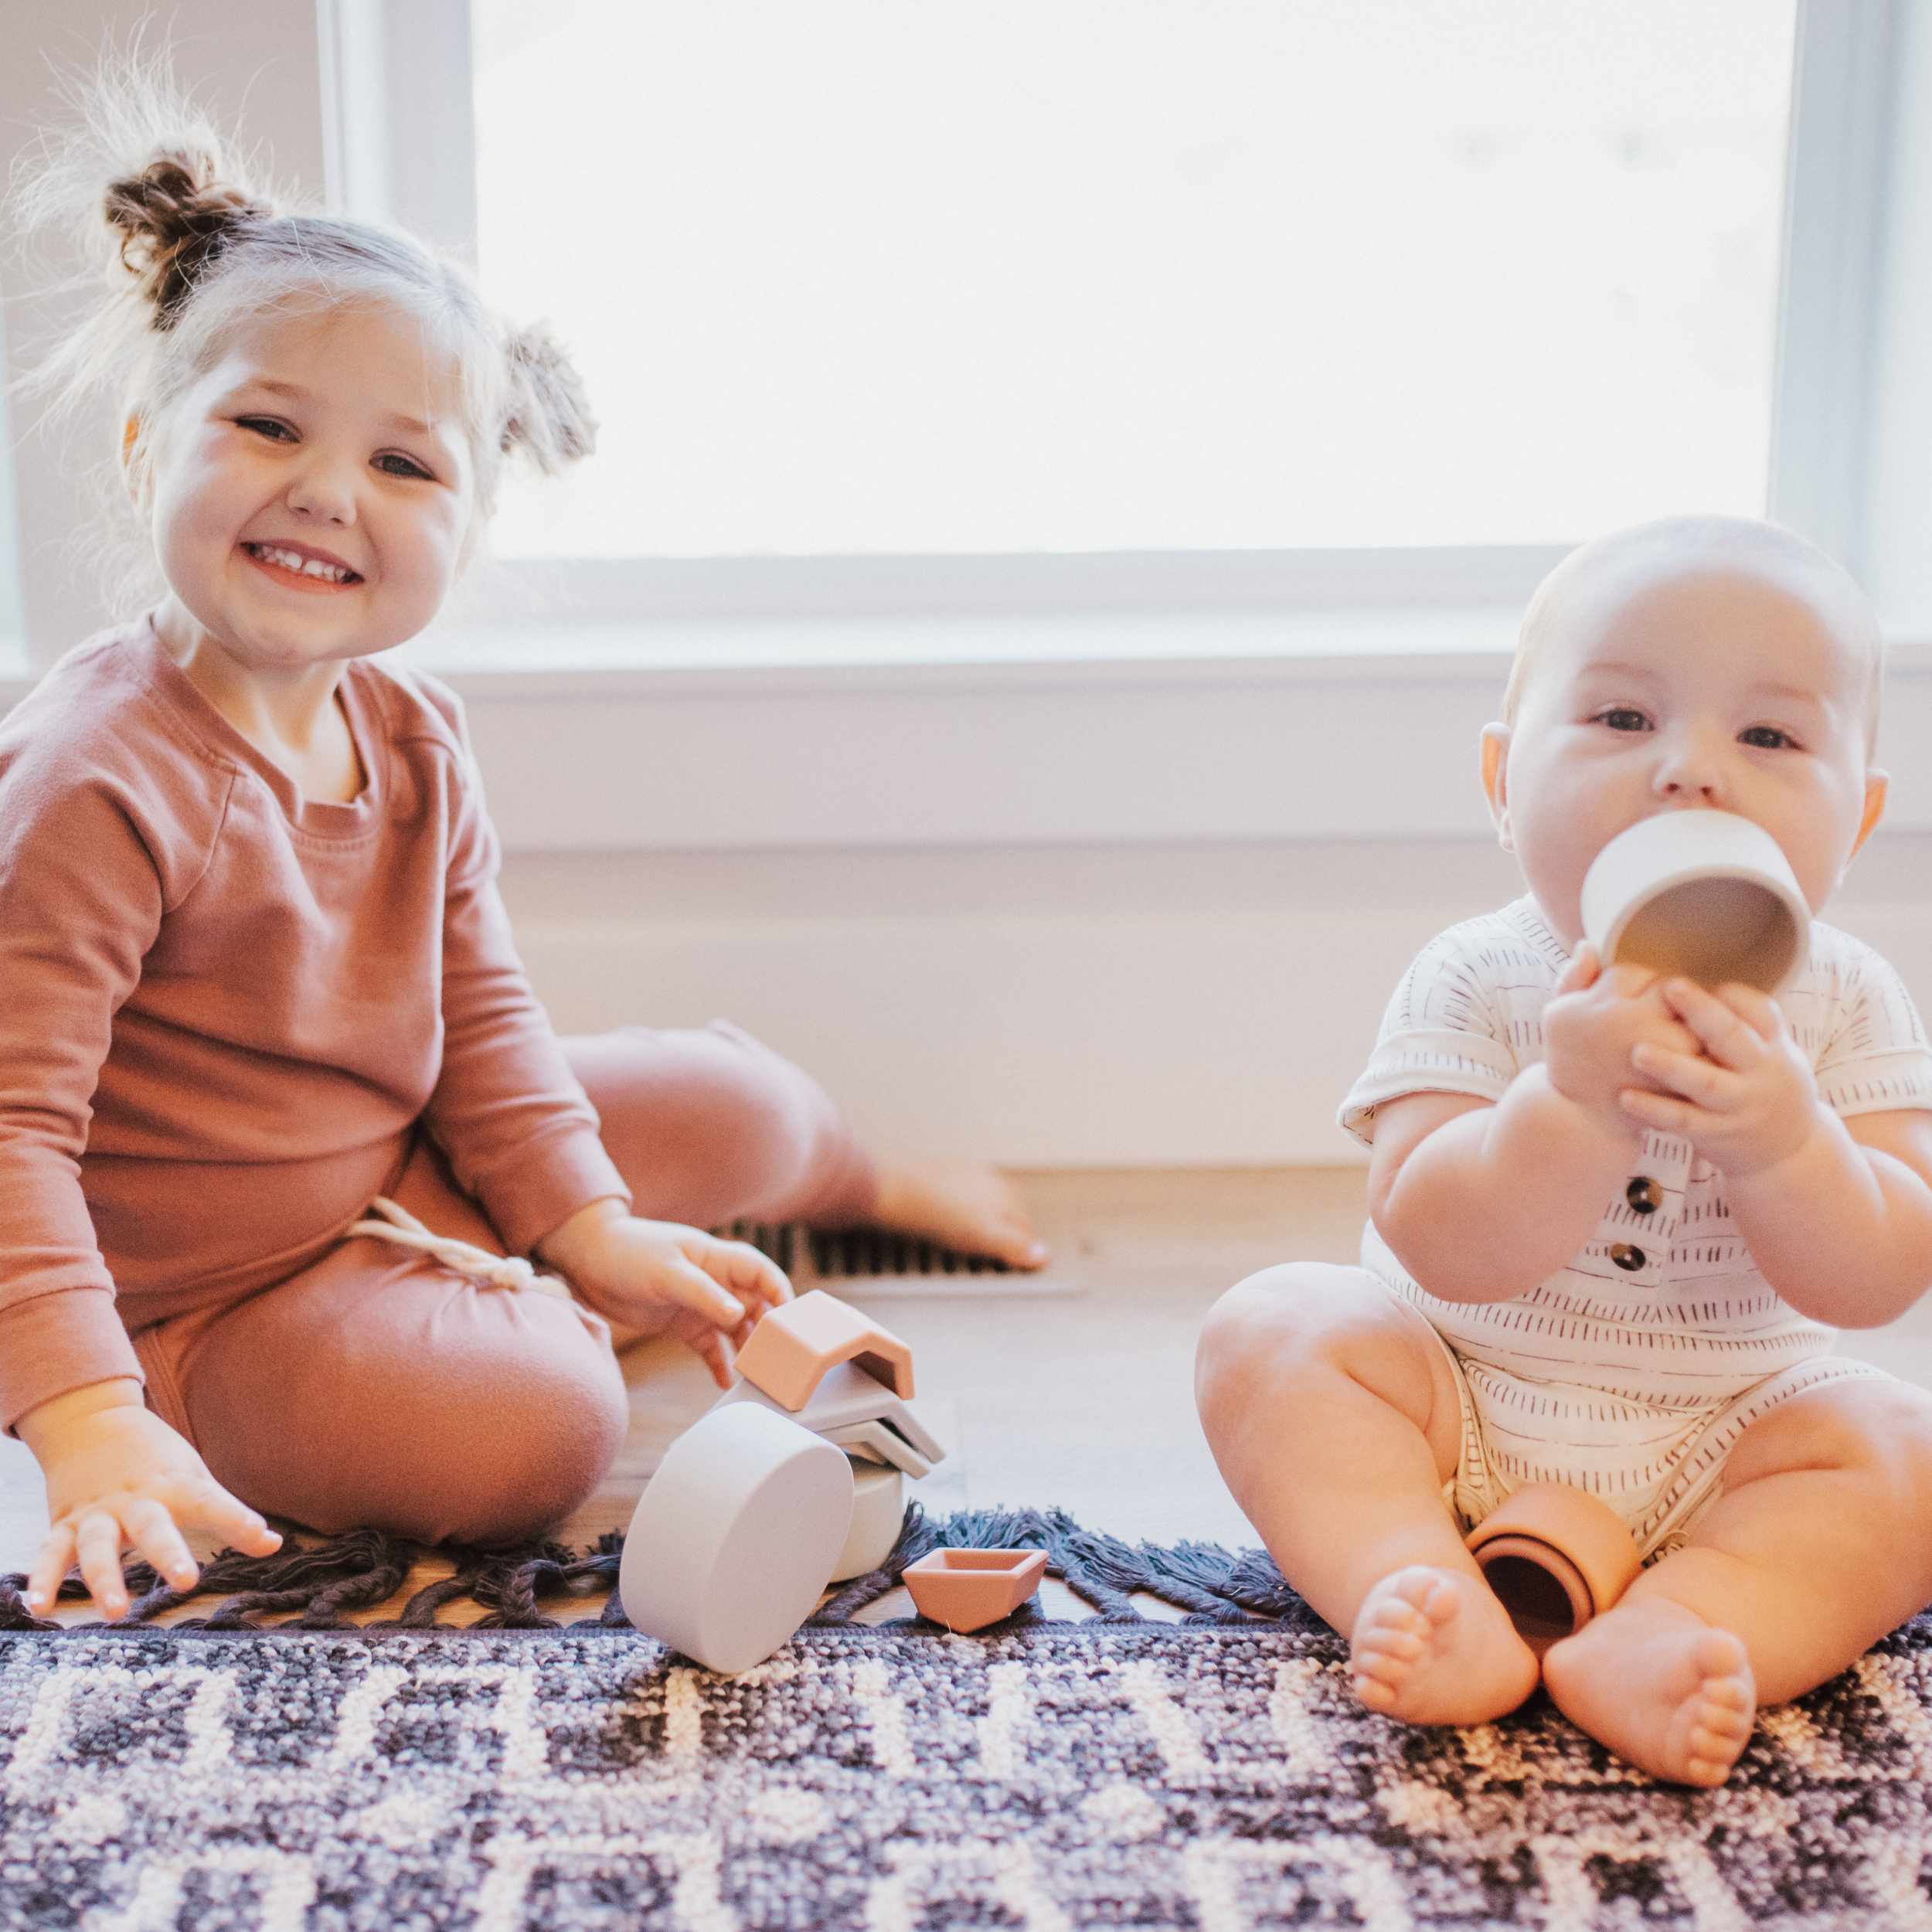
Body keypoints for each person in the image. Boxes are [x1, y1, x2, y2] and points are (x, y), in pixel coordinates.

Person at [2, 83, 1045, 1622]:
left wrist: (588, 1219)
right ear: (153, 440)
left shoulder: (413, 733)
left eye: (404, 466)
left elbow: (484, 1021)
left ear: (469, 525)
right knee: (544, 1427)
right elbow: (12, 1128)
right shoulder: (95, 776)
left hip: (397, 1169)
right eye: (267, 424)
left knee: (730, 1100)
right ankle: (386, 1349)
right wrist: (86, 1413)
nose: (325, 489)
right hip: (197, 1298)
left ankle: (850, 1177)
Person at [1196, 515, 1932, 1786]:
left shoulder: (1852, 1002)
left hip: (1731, 1437)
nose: (1692, 773)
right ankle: (1416, 1581)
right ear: (1501, 781)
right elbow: (1435, 1237)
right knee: (1274, 1329)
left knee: (1903, 1460)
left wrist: (1788, 1144)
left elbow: (1876, 1279)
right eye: (1623, 720)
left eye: (1768, 736)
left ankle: (1679, 1628)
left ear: (1856, 818)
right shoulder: (1481, 976)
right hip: (1458, 1401)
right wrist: (1571, 1105)